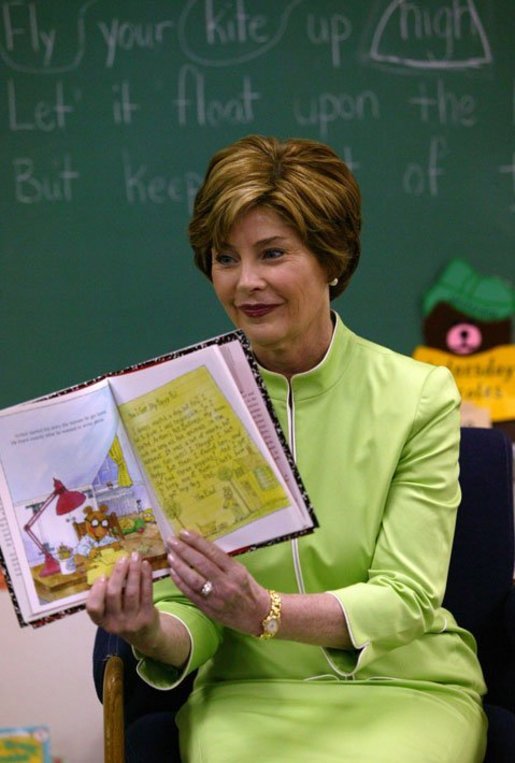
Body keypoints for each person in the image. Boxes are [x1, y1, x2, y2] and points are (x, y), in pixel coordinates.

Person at [87, 135, 487, 762]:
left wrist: (264, 611)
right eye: (225, 258)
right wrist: (147, 630)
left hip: (407, 684)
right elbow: (189, 616)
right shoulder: (175, 408)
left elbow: (406, 596)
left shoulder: (418, 395)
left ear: (332, 258)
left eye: (272, 253)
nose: (247, 283)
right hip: (245, 695)